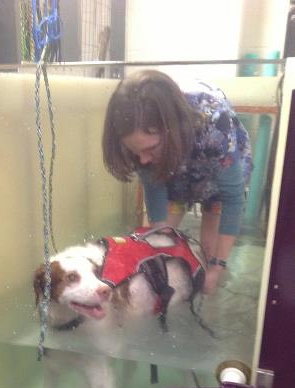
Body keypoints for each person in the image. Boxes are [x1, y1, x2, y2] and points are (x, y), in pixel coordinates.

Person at [102, 70, 253, 293]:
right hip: (173, 160)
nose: (142, 159)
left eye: (149, 148)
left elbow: (232, 198)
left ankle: (208, 283)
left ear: (169, 130)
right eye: (136, 152)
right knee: (158, 243)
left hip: (216, 165)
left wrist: (218, 266)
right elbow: (154, 187)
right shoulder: (140, 136)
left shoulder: (214, 125)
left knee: (209, 253)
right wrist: (161, 233)